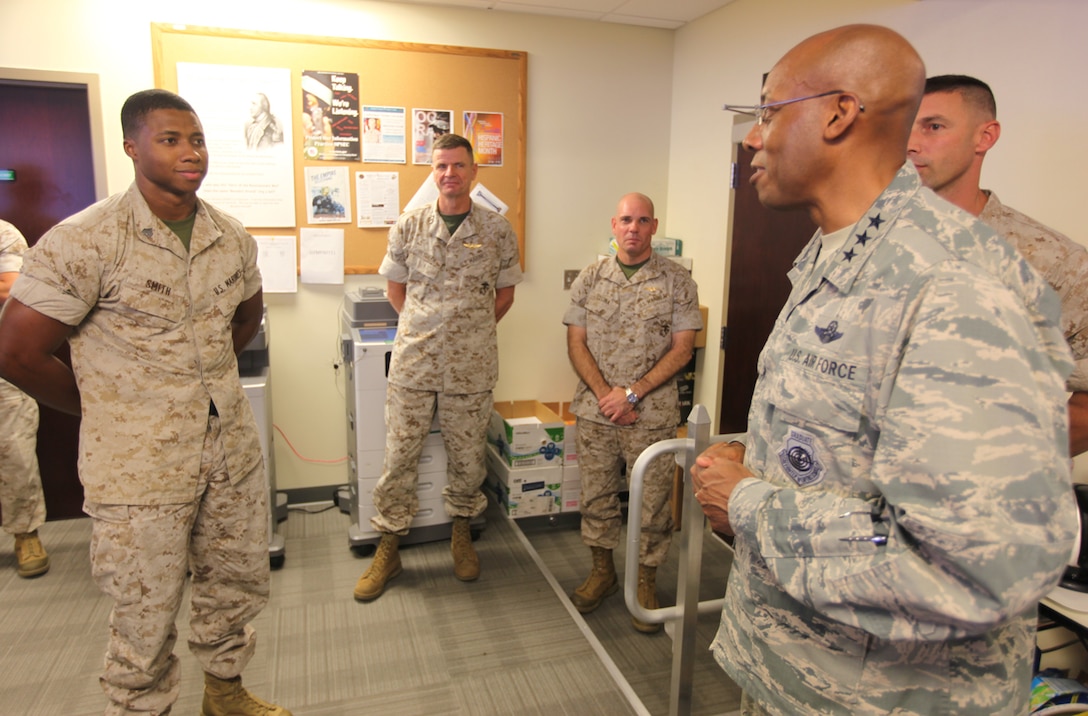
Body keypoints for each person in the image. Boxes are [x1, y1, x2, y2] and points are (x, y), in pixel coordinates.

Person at [701, 25, 1075, 715]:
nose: (753, 139)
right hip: (797, 672)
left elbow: (973, 567)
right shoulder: (835, 256)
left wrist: (749, 504)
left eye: (767, 112)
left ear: (838, 114)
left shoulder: (952, 285)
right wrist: (757, 463)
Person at [0, 89, 289, 716]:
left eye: (198, 139)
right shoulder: (85, 240)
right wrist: (106, 406)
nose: (191, 152)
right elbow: (16, 351)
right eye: (171, 139)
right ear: (133, 147)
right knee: (144, 606)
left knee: (234, 584)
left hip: (227, 453)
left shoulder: (230, 236)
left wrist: (196, 379)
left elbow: (245, 320)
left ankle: (225, 693)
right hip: (138, 467)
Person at [353, 132, 522, 602]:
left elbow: (505, 294)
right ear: (434, 172)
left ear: (473, 171)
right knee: (399, 456)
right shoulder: (409, 225)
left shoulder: (497, 231)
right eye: (441, 166)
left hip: (472, 368)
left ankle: (462, 534)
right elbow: (395, 289)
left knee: (467, 459)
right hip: (413, 365)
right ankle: (389, 546)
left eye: (458, 166)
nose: (450, 174)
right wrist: (424, 328)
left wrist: (468, 332)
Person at [908, 74, 1088, 456]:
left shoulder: (1052, 262)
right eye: (902, 129)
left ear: (984, 137)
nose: (910, 145)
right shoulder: (855, 239)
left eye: (933, 127)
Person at [562, 193, 700, 633]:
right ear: (613, 225)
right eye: (626, 220)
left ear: (654, 227)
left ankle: (646, 580)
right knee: (597, 496)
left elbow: (683, 349)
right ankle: (603, 572)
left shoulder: (679, 281)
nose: (633, 228)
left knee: (654, 503)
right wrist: (606, 394)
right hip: (596, 410)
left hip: (652, 414)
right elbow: (576, 342)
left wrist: (633, 395)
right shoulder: (590, 277)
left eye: (642, 220)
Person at [0, 219, 49, 578]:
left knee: (13, 449)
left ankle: (25, 533)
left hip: (4, 364)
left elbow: (11, 288)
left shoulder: (4, 234)